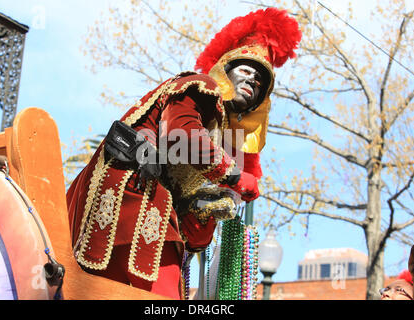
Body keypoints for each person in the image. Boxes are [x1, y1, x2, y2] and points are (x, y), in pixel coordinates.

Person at [66, 8, 301, 299]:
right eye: (244, 70)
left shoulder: (221, 133)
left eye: (259, 82)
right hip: (130, 196)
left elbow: (192, 236)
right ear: (224, 71)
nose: (252, 80)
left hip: (156, 208)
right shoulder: (202, 87)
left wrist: (204, 212)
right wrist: (237, 177)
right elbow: (182, 138)